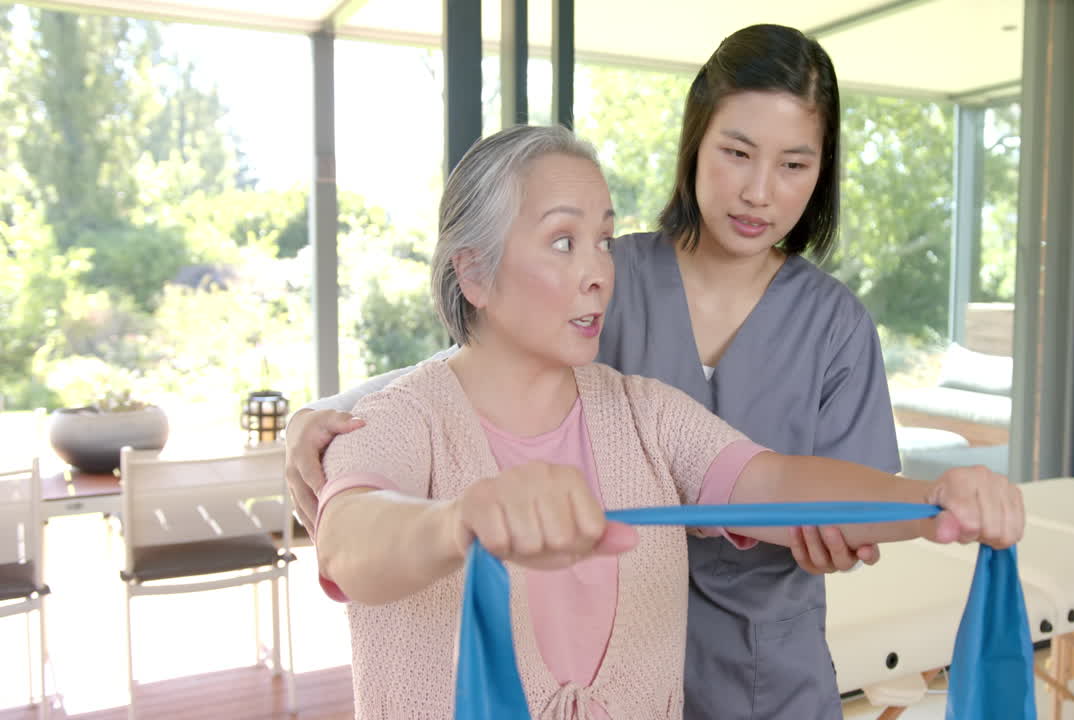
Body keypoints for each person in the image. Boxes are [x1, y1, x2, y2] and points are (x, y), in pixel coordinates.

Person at [291, 24, 1001, 719]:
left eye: (793, 164)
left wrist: (933, 496)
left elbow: (772, 482)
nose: (760, 192)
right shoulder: (589, 301)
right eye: (738, 152)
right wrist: (396, 474)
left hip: (760, 674)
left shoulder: (666, 403)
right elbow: (377, 493)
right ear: (695, 144)